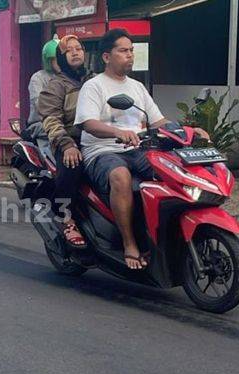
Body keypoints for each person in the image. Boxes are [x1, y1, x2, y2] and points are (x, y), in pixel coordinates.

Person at [75, 29, 210, 269]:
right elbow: (88, 123)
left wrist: (188, 130)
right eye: (123, 50)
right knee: (120, 176)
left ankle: (165, 234)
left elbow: (158, 121)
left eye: (131, 50)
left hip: (138, 149)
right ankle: (129, 243)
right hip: (102, 151)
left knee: (173, 170)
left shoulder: (137, 87)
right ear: (107, 57)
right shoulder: (94, 86)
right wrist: (117, 132)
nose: (130, 55)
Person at [37, 35, 94, 248]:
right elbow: (51, 119)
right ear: (61, 58)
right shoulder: (56, 86)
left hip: (99, 138)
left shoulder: (95, 80)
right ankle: (66, 217)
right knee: (72, 166)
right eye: (69, 50)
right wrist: (66, 144)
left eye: (79, 48)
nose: (76, 52)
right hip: (70, 140)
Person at [27, 37, 60, 127]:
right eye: (56, 59)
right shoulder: (38, 78)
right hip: (40, 124)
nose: (60, 62)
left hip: (64, 124)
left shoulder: (69, 77)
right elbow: (39, 105)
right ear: (48, 60)